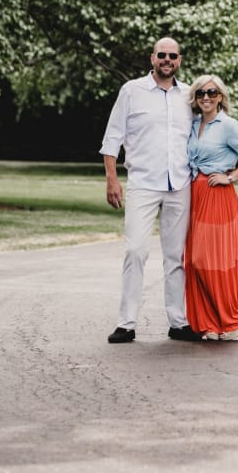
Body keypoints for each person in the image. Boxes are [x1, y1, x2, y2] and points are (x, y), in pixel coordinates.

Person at [99, 37, 200, 343]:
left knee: (175, 257)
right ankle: (126, 323)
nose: (166, 60)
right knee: (135, 250)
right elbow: (112, 136)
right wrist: (111, 179)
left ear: (179, 60)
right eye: (161, 55)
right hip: (143, 183)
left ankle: (178, 322)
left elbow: (202, 133)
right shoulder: (132, 91)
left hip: (179, 184)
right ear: (152, 58)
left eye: (172, 55)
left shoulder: (189, 96)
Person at [184, 74, 238, 341]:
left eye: (212, 92)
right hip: (195, 195)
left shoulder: (228, 125)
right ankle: (208, 323)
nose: (206, 97)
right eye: (201, 93)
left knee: (213, 259)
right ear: (195, 98)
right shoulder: (193, 125)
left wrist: (230, 177)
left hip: (218, 196)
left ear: (220, 97)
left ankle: (229, 321)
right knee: (194, 261)